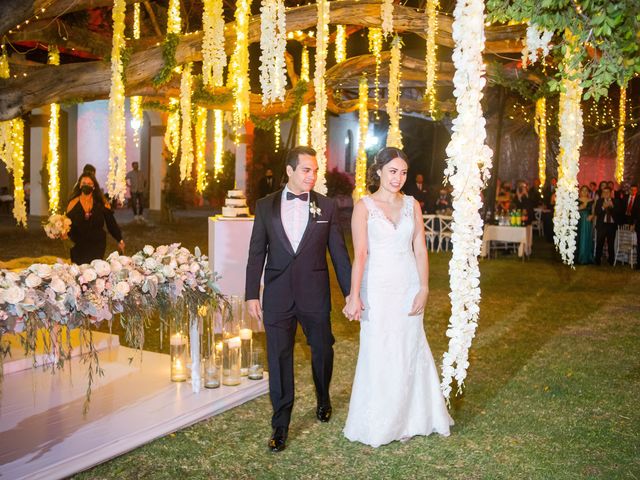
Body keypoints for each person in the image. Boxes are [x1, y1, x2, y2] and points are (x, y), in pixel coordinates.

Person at [342, 147, 452, 448]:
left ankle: (410, 418)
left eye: (403, 172)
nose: (398, 178)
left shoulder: (412, 205)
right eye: (393, 171)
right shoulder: (364, 207)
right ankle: (381, 420)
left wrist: (425, 288)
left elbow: (419, 248)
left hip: (408, 285)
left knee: (408, 348)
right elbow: (361, 254)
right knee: (379, 350)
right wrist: (354, 295)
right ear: (378, 171)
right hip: (377, 288)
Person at [245, 146, 352, 453]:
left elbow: (339, 255)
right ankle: (280, 424)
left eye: (315, 170)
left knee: (322, 349)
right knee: (278, 358)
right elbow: (256, 252)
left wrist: (349, 294)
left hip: (314, 294)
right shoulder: (265, 206)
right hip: (277, 295)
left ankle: (323, 396)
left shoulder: (327, 207)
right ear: (290, 171)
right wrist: (252, 293)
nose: (313, 176)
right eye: (307, 170)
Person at [66, 172, 125, 264]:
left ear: (94, 186)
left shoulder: (101, 203)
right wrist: (62, 232)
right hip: (78, 245)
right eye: (84, 183)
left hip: (97, 244)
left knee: (94, 271)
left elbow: (111, 223)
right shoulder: (73, 203)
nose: (86, 185)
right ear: (79, 185)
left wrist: (119, 239)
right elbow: (67, 224)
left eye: (89, 184)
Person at [593, 187, 617, 266]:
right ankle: (597, 261)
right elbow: (596, 212)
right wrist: (603, 207)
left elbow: (619, 212)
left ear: (610, 193)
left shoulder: (615, 201)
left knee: (611, 244)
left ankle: (611, 261)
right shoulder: (599, 201)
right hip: (602, 225)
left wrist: (612, 206)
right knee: (600, 243)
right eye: (604, 192)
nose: (606, 193)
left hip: (611, 225)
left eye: (608, 192)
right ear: (602, 193)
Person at [576, 185, 594, 265]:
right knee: (579, 237)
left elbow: (593, 211)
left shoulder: (591, 200)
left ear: (588, 192)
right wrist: (579, 208)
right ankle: (578, 257)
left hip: (587, 221)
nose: (584, 192)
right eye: (582, 190)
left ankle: (586, 257)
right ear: (580, 192)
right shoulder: (576, 200)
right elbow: (572, 211)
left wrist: (592, 215)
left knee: (586, 237)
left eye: (586, 190)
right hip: (578, 220)